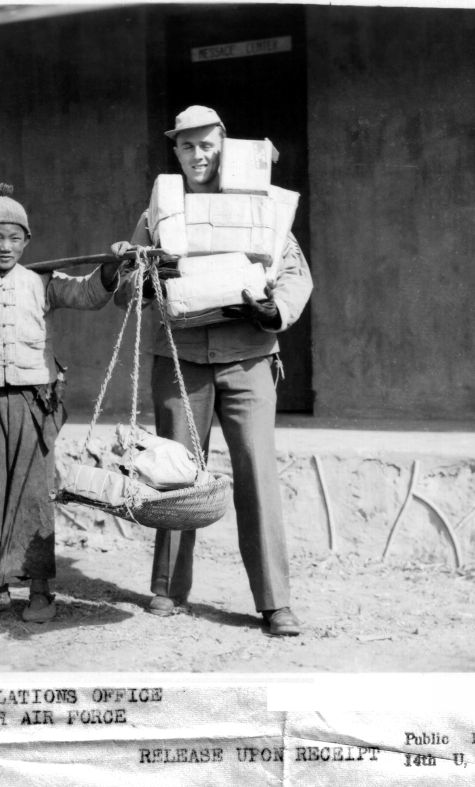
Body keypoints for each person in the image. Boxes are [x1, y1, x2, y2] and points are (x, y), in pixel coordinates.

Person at [117, 106, 313, 636]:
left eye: (207, 145)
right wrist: (131, 269)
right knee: (173, 475)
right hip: (180, 359)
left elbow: (294, 273)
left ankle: (275, 602)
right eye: (187, 147)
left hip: (248, 357)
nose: (198, 156)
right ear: (174, 152)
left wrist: (279, 311)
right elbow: (127, 289)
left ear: (224, 146)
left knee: (257, 475)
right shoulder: (159, 210)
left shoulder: (256, 206)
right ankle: (168, 588)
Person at [0, 183, 120, 623]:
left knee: (33, 493)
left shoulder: (42, 283)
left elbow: (89, 293)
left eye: (15, 238)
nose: (6, 246)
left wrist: (111, 267)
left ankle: (40, 592)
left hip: (36, 402)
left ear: (27, 241)